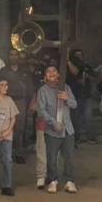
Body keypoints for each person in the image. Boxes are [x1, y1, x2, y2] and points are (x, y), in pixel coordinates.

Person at [37, 66, 78, 194]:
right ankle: (53, 181)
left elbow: (74, 104)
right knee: (51, 157)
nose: (51, 73)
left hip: (68, 129)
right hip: (52, 130)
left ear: (59, 75)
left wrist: (67, 98)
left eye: (54, 71)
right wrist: (54, 122)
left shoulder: (66, 88)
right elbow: (41, 111)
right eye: (48, 71)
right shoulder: (42, 91)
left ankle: (69, 181)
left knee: (69, 157)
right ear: (45, 76)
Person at [0, 51, 33, 164]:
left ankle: (18, 153)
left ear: (19, 57)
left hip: (21, 101)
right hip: (6, 101)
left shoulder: (25, 71)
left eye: (15, 55)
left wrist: (30, 102)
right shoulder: (3, 71)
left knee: (19, 129)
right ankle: (5, 154)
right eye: (11, 54)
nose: (13, 57)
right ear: (8, 56)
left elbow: (31, 87)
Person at [66, 49, 95, 144]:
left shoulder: (86, 66)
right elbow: (73, 73)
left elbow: (94, 76)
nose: (79, 56)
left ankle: (90, 136)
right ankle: (76, 137)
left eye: (80, 54)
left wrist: (87, 77)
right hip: (76, 95)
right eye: (77, 55)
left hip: (86, 95)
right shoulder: (69, 66)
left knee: (88, 117)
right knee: (75, 118)